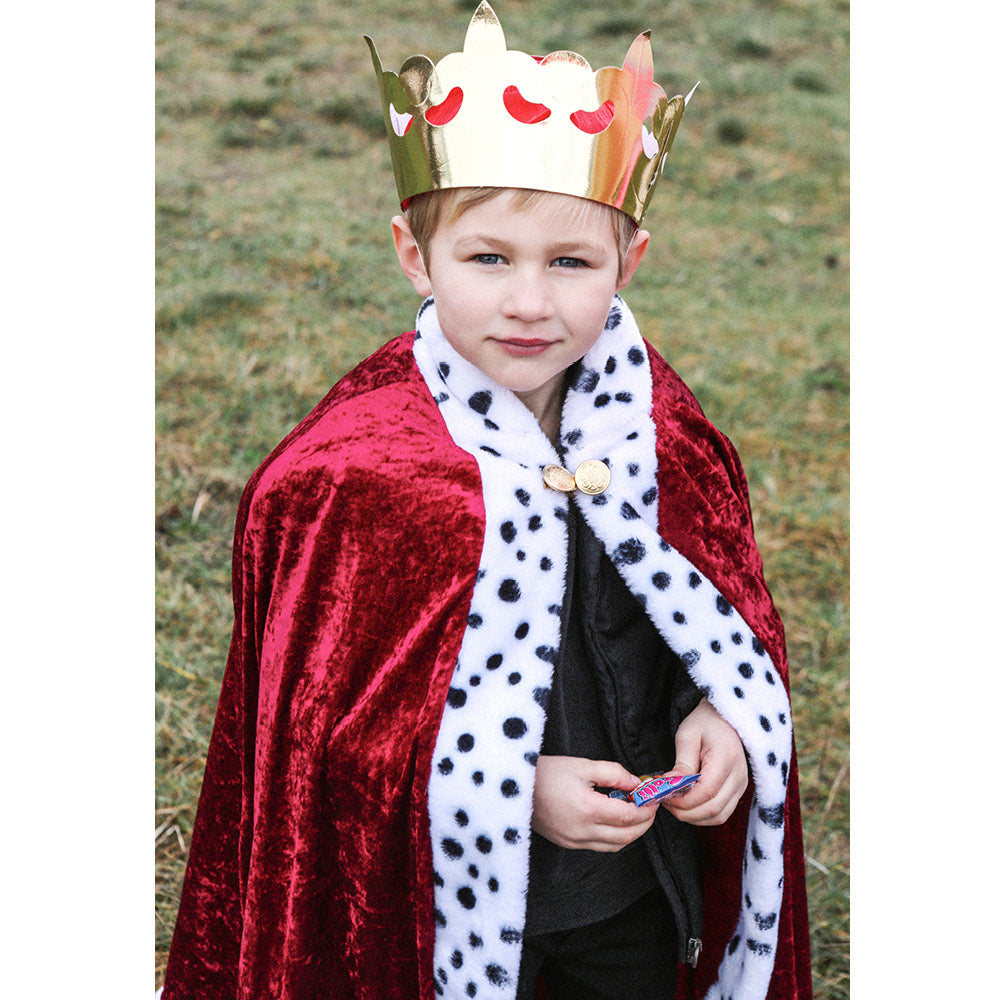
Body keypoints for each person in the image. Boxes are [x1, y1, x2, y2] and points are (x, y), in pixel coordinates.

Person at [158, 4, 812, 999]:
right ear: (414, 255)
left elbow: (716, 627)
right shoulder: (349, 476)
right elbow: (315, 743)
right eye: (489, 258)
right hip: (431, 920)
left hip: (640, 896)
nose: (529, 303)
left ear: (629, 262)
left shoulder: (665, 435)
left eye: (571, 262)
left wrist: (724, 714)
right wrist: (511, 788)